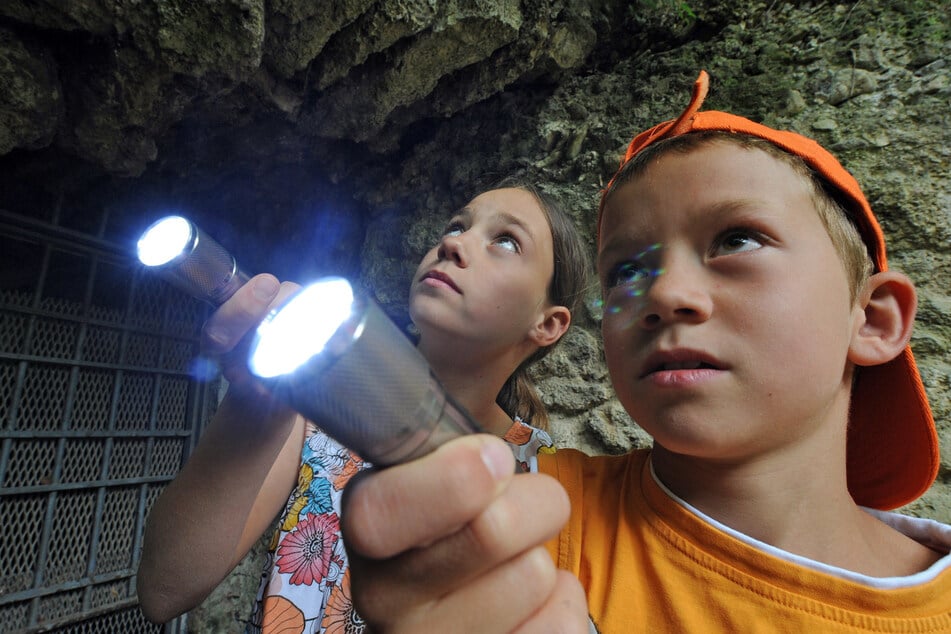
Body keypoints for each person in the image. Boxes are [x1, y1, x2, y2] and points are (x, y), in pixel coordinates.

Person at [338, 71, 951, 632]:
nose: (663, 293)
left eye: (736, 239)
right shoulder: (520, 519)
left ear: (872, 319)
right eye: (626, 271)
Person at [135, 178, 591, 633]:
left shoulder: (543, 477)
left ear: (547, 324)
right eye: (457, 225)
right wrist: (263, 394)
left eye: (507, 241)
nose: (455, 242)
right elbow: (165, 590)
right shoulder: (309, 416)